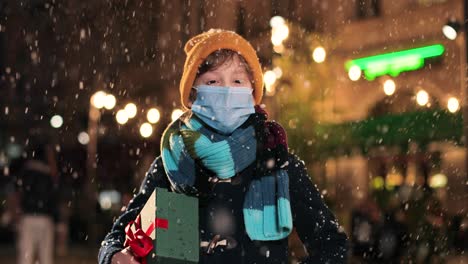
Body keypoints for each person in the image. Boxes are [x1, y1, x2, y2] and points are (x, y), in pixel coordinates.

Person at [99, 29, 348, 264]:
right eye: (213, 82)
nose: (227, 91)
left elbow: (331, 243)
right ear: (193, 95)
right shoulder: (171, 163)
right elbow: (117, 236)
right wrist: (113, 256)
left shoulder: (277, 161)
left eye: (237, 80)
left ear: (253, 93)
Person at [14, 141, 58, 264]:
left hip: (28, 216)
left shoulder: (26, 171)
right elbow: (55, 191)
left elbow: (18, 193)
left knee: (26, 255)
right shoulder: (48, 173)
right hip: (45, 217)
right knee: (46, 256)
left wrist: (17, 211)